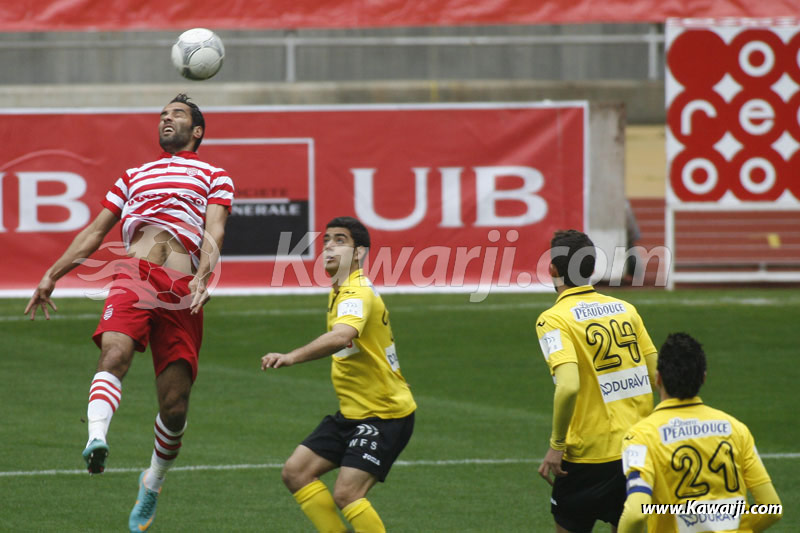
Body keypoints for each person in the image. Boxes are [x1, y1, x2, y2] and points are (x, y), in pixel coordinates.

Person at [23, 94, 234, 533]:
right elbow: (95, 231)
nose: (166, 118)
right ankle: (96, 437)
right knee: (114, 354)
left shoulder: (215, 174)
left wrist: (204, 275)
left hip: (181, 289)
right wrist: (52, 274)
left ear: (197, 131)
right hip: (135, 274)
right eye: (162, 114)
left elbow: (215, 226)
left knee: (174, 409)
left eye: (176, 114)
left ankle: (152, 482)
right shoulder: (133, 175)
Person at [261, 216, 416, 533]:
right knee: (296, 472)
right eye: (326, 240)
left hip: (384, 414)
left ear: (359, 253)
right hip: (354, 412)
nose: (329, 245)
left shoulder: (356, 292)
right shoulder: (342, 289)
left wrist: (291, 357)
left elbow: (341, 336)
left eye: (340, 240)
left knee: (347, 493)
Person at [535, 229, 658, 533]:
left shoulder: (553, 319)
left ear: (553, 269)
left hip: (588, 457)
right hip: (636, 451)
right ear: (591, 269)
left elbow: (568, 386)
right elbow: (659, 376)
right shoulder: (626, 310)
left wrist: (556, 445)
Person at [618, 333, 782, 533]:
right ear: (703, 377)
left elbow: (635, 514)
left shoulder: (641, 437)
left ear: (658, 378)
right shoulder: (736, 429)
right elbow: (771, 509)